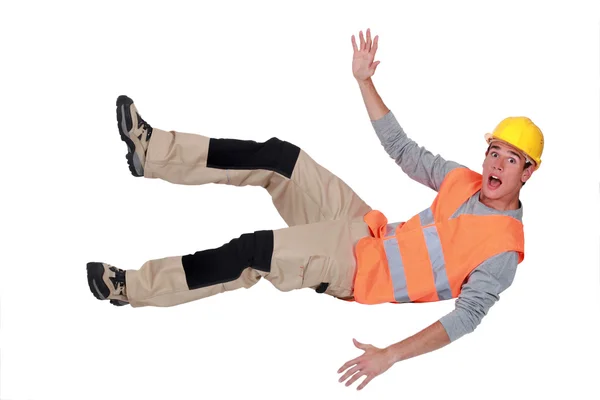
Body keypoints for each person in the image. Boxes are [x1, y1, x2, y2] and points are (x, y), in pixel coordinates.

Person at [86, 28, 544, 390]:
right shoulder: (462, 179)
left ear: (528, 174)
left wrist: (390, 355)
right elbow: (404, 150)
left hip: (357, 270)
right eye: (495, 151)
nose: (497, 163)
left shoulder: (504, 249)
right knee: (280, 158)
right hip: (367, 227)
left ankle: (130, 288)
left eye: (512, 159)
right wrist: (365, 80)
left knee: (254, 252)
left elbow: (465, 318)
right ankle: (154, 152)